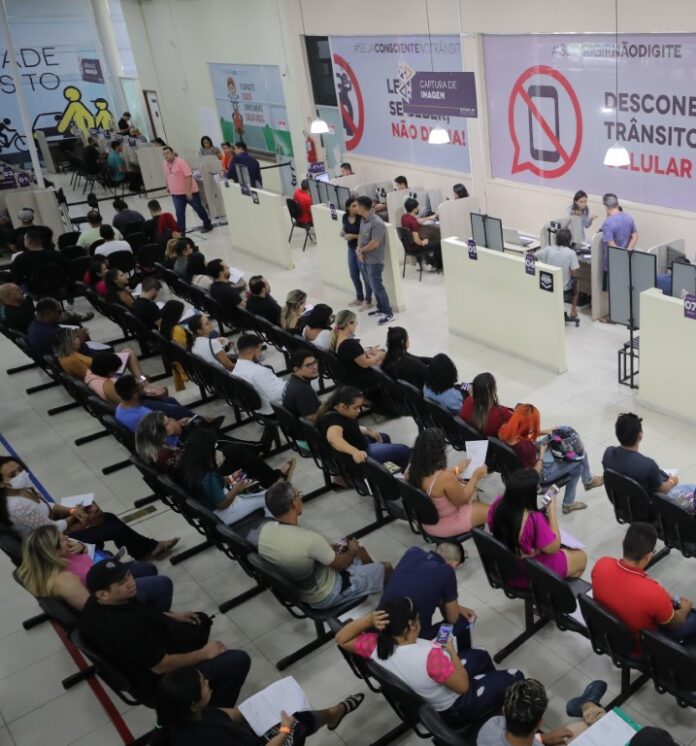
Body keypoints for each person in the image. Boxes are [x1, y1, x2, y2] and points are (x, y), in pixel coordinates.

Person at [80, 555, 251, 706]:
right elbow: (161, 666)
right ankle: (212, 717)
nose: (131, 582)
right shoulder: (125, 629)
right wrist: (204, 654)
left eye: (129, 575)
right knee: (238, 660)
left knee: (199, 620)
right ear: (103, 594)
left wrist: (169, 616)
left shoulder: (98, 603)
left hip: (149, 653)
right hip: (162, 684)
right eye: (121, 583)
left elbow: (140, 612)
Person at [336, 599, 523, 727]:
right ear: (411, 625)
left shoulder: (375, 644)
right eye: (417, 618)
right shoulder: (430, 657)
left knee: (480, 656)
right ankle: (495, 707)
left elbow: (342, 638)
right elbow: (463, 687)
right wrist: (450, 651)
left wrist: (369, 619)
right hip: (455, 708)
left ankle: (492, 698)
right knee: (516, 677)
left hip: (429, 686)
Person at [0, 456, 178, 559]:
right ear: (2, 483)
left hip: (57, 528)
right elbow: (50, 529)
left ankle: (146, 549)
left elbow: (48, 505)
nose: (20, 475)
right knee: (112, 528)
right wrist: (76, 517)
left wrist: (71, 510)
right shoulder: (17, 507)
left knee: (108, 517)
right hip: (52, 542)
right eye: (12, 474)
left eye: (19, 469)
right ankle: (145, 549)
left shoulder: (24, 489)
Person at [151, 666, 363, 746]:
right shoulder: (212, 738)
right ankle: (335, 713)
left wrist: (256, 708)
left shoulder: (176, 719)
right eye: (204, 685)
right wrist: (284, 729)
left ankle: (333, 714)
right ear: (194, 704)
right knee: (300, 720)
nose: (208, 683)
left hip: (242, 734)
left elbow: (227, 715)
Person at [258, 481, 389, 608]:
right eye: (299, 495)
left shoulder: (265, 531)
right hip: (326, 594)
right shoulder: (310, 539)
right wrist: (352, 550)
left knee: (360, 551)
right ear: (293, 503)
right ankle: (394, 597)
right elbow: (340, 564)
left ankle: (373, 580)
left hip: (302, 587)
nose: (301, 499)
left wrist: (326, 550)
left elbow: (298, 554)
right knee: (386, 567)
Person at [18, 525, 173, 613]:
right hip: (110, 598)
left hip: (105, 578)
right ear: (52, 552)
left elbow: (85, 560)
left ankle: (153, 610)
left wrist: (83, 548)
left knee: (147, 569)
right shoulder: (65, 581)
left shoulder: (60, 556)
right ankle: (158, 623)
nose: (67, 539)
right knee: (163, 584)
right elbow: (95, 611)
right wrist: (122, 591)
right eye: (63, 540)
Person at [592, 522, 696, 650]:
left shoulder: (602, 564)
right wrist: (685, 608)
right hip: (640, 647)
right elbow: (676, 623)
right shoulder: (654, 593)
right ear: (648, 557)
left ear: (623, 542)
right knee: (692, 618)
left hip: (609, 634)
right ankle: (684, 659)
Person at [488, 469, 587, 586]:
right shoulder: (533, 519)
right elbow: (554, 547)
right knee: (581, 558)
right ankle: (553, 593)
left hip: (509, 568)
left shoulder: (497, 505)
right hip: (533, 572)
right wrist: (552, 513)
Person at [498, 404, 602, 513]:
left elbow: (522, 435)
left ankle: (581, 489)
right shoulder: (526, 448)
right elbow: (535, 472)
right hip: (539, 476)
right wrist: (542, 455)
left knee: (551, 438)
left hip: (515, 471)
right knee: (580, 458)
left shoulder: (504, 430)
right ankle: (583, 487)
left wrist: (543, 431)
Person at [135, 411, 295, 482]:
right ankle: (274, 479)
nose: (172, 419)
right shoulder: (168, 455)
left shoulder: (157, 453)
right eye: (168, 420)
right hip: (208, 481)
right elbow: (198, 467)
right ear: (166, 430)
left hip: (201, 476)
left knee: (228, 448)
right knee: (232, 450)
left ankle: (269, 473)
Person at [380, 543, 476, 651]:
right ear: (455, 564)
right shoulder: (447, 570)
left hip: (380, 627)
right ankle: (446, 651)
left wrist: (456, 607)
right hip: (411, 640)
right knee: (462, 621)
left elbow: (420, 589)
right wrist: (452, 607)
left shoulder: (412, 551)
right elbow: (452, 619)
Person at [602, 412, 696, 515]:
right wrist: (673, 481)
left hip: (624, 503)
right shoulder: (648, 466)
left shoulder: (608, 454)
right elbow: (663, 490)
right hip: (650, 507)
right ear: (640, 435)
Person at [476, 677, 609, 746]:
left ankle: (588, 705)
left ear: (504, 711)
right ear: (540, 722)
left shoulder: (491, 727)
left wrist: (543, 738)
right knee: (600, 726)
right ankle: (588, 704)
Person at [176, 428, 268, 526]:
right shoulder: (207, 475)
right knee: (269, 498)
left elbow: (212, 485)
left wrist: (231, 478)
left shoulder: (186, 464)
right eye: (214, 446)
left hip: (209, 509)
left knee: (261, 495)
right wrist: (236, 489)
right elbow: (222, 504)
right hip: (222, 514)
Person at [408, 428, 489, 536]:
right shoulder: (445, 477)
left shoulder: (411, 470)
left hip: (426, 522)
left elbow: (434, 477)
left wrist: (457, 469)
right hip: (446, 523)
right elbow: (463, 500)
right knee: (496, 512)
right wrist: (475, 477)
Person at [318, 386, 411, 469]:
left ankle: (388, 470)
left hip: (360, 444)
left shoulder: (336, 411)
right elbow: (333, 439)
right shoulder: (333, 420)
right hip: (361, 454)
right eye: (355, 408)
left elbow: (349, 428)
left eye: (360, 407)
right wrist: (355, 452)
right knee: (404, 450)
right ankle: (403, 479)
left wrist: (367, 431)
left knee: (384, 437)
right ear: (342, 406)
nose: (359, 411)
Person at [356, 195, 394, 324]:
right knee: (372, 285)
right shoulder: (363, 220)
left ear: (362, 207)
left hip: (375, 261)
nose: (356, 208)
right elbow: (361, 236)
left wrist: (362, 250)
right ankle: (381, 308)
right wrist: (358, 249)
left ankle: (388, 312)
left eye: (357, 206)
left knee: (378, 287)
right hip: (365, 259)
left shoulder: (377, 222)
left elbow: (375, 243)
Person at [600, 193, 638, 318]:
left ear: (605, 206)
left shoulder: (608, 223)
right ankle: (623, 313)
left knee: (613, 290)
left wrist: (618, 257)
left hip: (612, 262)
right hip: (626, 260)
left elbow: (611, 245)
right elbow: (635, 235)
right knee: (623, 288)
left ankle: (613, 316)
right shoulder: (628, 218)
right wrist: (627, 250)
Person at [114, 374, 197, 431]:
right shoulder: (147, 414)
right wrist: (178, 423)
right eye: (141, 386)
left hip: (152, 431)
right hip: (169, 440)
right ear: (134, 395)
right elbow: (164, 433)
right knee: (179, 411)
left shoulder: (119, 409)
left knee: (170, 401)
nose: (143, 385)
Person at [163, 146, 213, 234]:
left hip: (190, 192)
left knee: (198, 208)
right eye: (164, 154)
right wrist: (167, 186)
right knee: (179, 213)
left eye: (167, 153)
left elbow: (189, 176)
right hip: (176, 194)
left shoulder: (180, 162)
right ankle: (181, 231)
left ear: (172, 153)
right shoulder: (164, 163)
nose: (166, 156)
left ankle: (207, 223)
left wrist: (188, 191)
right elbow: (167, 175)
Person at [330, 309, 384, 390]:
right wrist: (379, 356)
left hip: (350, 374)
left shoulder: (336, 338)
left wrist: (368, 351)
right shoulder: (350, 344)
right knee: (388, 364)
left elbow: (352, 356)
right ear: (349, 323)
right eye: (355, 322)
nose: (357, 324)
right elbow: (365, 364)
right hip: (360, 379)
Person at [233, 333, 286, 415]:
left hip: (257, 409)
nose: (261, 353)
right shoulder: (258, 371)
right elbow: (277, 395)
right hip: (273, 410)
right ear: (251, 351)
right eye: (260, 350)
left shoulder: (236, 370)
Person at [535, 227, 580, 320]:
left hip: (547, 285)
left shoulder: (548, 249)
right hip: (563, 288)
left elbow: (533, 256)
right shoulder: (571, 253)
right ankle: (573, 311)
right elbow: (574, 274)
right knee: (576, 283)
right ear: (569, 240)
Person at [460, 372, 513, 437]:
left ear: (474, 389)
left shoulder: (468, 401)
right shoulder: (502, 414)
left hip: (469, 439)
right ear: (493, 390)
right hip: (489, 445)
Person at [340, 197, 370, 309]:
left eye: (357, 205)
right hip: (351, 249)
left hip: (360, 250)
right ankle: (359, 296)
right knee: (353, 274)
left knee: (365, 275)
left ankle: (368, 299)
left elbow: (364, 235)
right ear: (348, 208)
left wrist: (353, 236)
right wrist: (342, 233)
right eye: (353, 206)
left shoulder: (361, 219)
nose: (356, 208)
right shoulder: (344, 217)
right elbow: (344, 228)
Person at [400, 198, 441, 271]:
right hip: (415, 247)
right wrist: (422, 242)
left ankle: (423, 263)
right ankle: (433, 265)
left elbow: (417, 220)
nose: (419, 208)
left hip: (407, 246)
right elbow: (416, 240)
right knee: (438, 243)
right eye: (417, 207)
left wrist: (430, 217)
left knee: (426, 238)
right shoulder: (413, 222)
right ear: (414, 209)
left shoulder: (404, 217)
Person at [282, 349, 320, 422]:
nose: (315, 367)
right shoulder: (303, 390)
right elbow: (312, 420)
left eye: (315, 362)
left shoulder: (292, 381)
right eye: (309, 365)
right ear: (297, 370)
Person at [160, 299, 190, 390]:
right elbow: (185, 349)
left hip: (176, 359)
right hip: (186, 362)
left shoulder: (163, 326)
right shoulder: (176, 329)